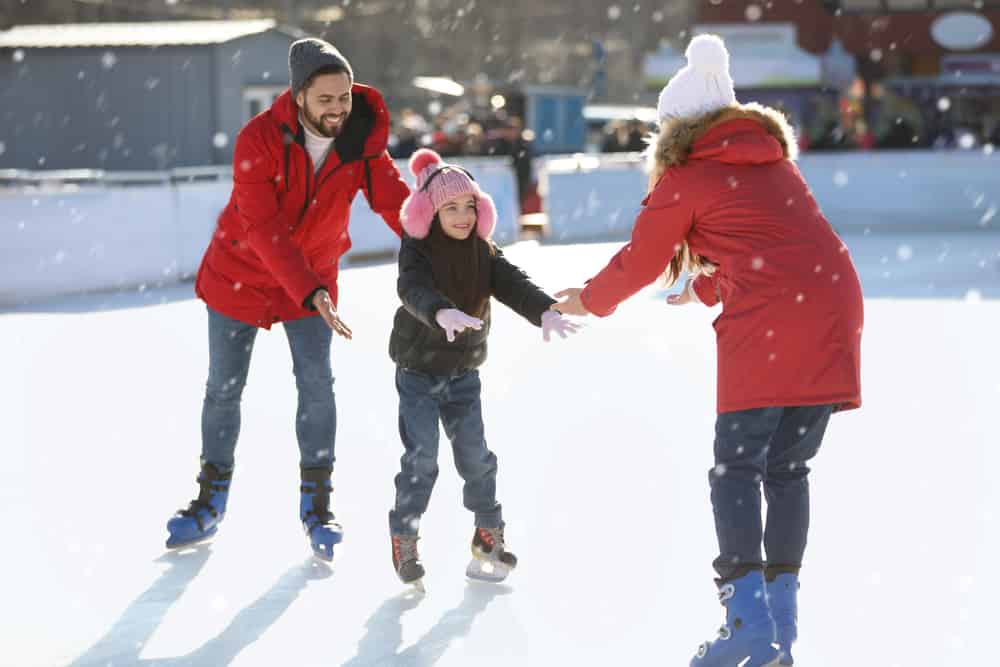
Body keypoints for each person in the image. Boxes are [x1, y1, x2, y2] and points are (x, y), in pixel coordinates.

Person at [553, 35, 863, 667]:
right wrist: (708, 286)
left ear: (674, 133)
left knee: (738, 470)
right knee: (786, 471)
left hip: (777, 320)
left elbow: (642, 259)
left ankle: (748, 626)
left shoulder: (689, 175)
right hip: (833, 307)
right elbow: (782, 246)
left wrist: (589, 299)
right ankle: (780, 623)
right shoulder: (775, 163)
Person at [165, 38, 411, 561]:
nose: (338, 109)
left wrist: (441, 238)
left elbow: (393, 198)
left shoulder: (359, 134)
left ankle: (317, 506)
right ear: (299, 96)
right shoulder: (259, 139)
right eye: (326, 100)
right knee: (224, 389)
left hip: (312, 278)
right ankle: (209, 500)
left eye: (344, 97)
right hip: (242, 274)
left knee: (317, 386)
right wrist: (313, 291)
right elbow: (264, 228)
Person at [387, 148, 578, 589]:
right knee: (422, 460)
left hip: (463, 374)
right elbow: (411, 288)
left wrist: (544, 310)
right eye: (450, 207)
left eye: (469, 206)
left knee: (476, 457)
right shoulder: (417, 250)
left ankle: (487, 534)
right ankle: (405, 535)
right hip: (418, 371)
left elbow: (513, 283)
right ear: (428, 213)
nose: (461, 216)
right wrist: (439, 313)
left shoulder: (482, 251)